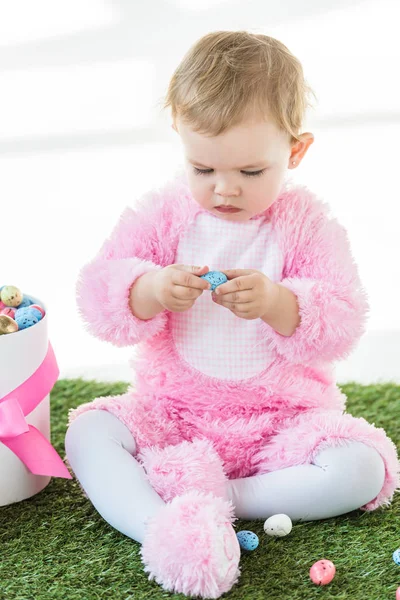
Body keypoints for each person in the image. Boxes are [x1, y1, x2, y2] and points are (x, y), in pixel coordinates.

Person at [64, 30, 399, 599]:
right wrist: (146, 289)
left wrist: (280, 303)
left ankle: (220, 500)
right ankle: (161, 528)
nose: (224, 189)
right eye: (203, 168)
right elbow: (99, 291)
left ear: (294, 151)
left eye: (249, 172)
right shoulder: (164, 214)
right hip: (173, 415)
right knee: (89, 432)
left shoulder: (306, 225)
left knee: (363, 468)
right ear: (180, 141)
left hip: (280, 424)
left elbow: (342, 318)